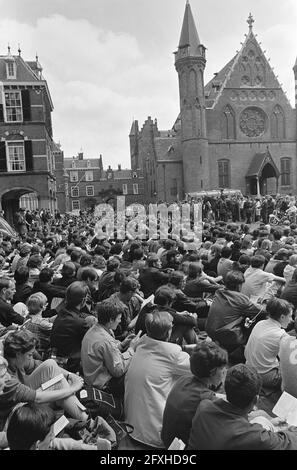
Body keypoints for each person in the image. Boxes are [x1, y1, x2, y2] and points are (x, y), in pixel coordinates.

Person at [188, 364, 297, 450]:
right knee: (261, 417)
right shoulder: (252, 436)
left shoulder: (203, 407)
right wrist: (291, 428)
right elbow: (287, 442)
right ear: (255, 400)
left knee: (261, 418)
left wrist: (270, 423)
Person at [124, 311, 191, 448]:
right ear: (168, 333)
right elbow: (198, 369)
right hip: (155, 435)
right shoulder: (175, 354)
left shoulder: (140, 345)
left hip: (131, 426)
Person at [0, 330, 88, 432]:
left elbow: (42, 364)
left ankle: (78, 413)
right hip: (11, 418)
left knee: (50, 364)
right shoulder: (6, 379)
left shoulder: (15, 356)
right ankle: (87, 421)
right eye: (29, 355)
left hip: (20, 398)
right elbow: (38, 398)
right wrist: (73, 387)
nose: (31, 358)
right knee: (58, 384)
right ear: (18, 354)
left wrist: (69, 375)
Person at [161, 341, 227, 448]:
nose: (224, 372)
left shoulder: (183, 380)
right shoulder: (206, 399)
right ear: (213, 372)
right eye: (222, 368)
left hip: (168, 441)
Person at [81, 302, 142, 397]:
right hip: (103, 385)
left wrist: (122, 344)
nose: (120, 321)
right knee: (137, 373)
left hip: (91, 377)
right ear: (110, 320)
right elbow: (118, 370)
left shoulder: (93, 330)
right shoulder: (106, 340)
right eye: (119, 319)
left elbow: (106, 352)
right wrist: (131, 349)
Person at [6, 403, 113, 450]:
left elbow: (55, 442)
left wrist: (86, 447)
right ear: (37, 445)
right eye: (51, 434)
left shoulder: (24, 442)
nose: (53, 436)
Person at [205, 271, 262, 354]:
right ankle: (245, 348)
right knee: (255, 318)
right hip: (226, 334)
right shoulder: (241, 298)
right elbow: (260, 310)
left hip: (210, 330)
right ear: (239, 285)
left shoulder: (219, 291)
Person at [245, 298, 293, 389]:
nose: (291, 320)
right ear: (282, 317)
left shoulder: (260, 323)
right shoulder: (281, 335)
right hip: (262, 376)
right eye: (290, 316)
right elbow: (290, 362)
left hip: (248, 368)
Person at [50, 282, 94, 372]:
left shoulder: (61, 313)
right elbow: (94, 342)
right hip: (71, 365)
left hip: (55, 359)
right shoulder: (80, 323)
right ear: (83, 301)